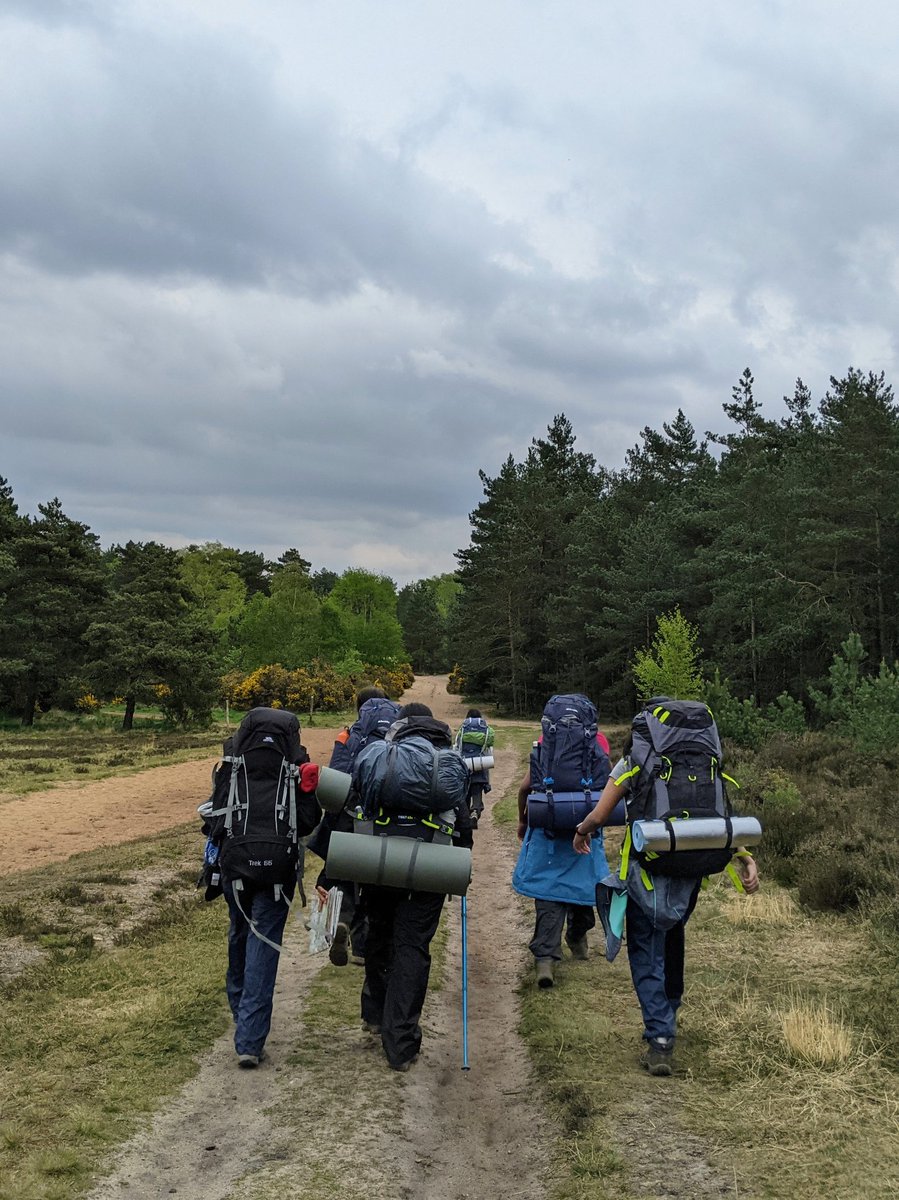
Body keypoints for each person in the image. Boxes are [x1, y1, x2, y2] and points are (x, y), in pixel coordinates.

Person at [573, 718, 759, 1077]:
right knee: (673, 937)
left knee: (645, 951)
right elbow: (716, 818)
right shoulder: (705, 764)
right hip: (689, 873)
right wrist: (745, 856)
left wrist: (582, 831)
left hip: (646, 873)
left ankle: (660, 1038)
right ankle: (668, 1013)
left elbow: (601, 812)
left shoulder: (634, 762)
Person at [353, 702, 474, 1071]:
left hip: (380, 859)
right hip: (430, 867)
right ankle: (400, 1044)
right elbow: (464, 825)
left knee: (379, 934)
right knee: (412, 947)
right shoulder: (446, 762)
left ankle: (375, 1014)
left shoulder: (383, 757)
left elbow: (357, 802)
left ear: (401, 726)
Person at [208, 707, 321, 1069]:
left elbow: (216, 814)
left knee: (239, 933)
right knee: (264, 942)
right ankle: (250, 1040)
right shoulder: (297, 766)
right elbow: (306, 823)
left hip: (235, 865)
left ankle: (242, 1014)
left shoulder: (232, 762)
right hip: (278, 870)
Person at [512, 698, 611, 989]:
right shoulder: (599, 742)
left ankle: (545, 958)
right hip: (587, 828)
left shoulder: (547, 741)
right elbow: (608, 786)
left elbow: (524, 788)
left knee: (548, 891)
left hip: (548, 827)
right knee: (583, 887)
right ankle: (578, 937)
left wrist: (523, 820)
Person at [309, 686, 399, 966]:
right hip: (384, 815)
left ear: (359, 709)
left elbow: (337, 774)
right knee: (376, 878)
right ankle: (363, 949)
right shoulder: (398, 733)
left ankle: (344, 920)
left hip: (350, 812)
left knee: (346, 873)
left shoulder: (348, 734)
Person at [454, 708, 495, 827]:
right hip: (480, 766)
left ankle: (465, 816)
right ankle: (475, 811)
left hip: (465, 766)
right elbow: (489, 749)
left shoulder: (463, 729)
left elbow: (457, 747)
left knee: (465, 792)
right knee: (477, 791)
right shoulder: (485, 730)